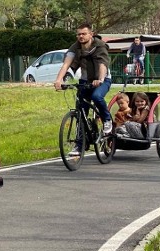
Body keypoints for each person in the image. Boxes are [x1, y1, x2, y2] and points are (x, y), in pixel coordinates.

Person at [54, 23, 113, 156]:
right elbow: (66, 64)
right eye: (78, 34)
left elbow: (103, 64)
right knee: (80, 111)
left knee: (97, 97)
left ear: (91, 34)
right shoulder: (75, 47)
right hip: (85, 81)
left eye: (83, 33)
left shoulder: (99, 45)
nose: (80, 36)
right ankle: (79, 145)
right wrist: (59, 80)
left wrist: (101, 79)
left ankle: (107, 120)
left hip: (102, 79)